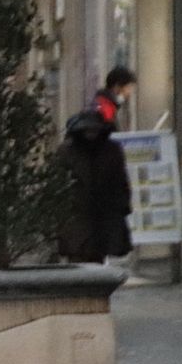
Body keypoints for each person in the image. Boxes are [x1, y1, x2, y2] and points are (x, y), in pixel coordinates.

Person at [58, 109, 133, 263]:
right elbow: (57, 182)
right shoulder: (67, 151)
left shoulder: (111, 150)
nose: (91, 134)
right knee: (78, 252)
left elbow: (120, 179)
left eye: (95, 130)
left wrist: (122, 204)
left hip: (104, 212)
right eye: (88, 130)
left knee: (97, 253)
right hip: (76, 212)